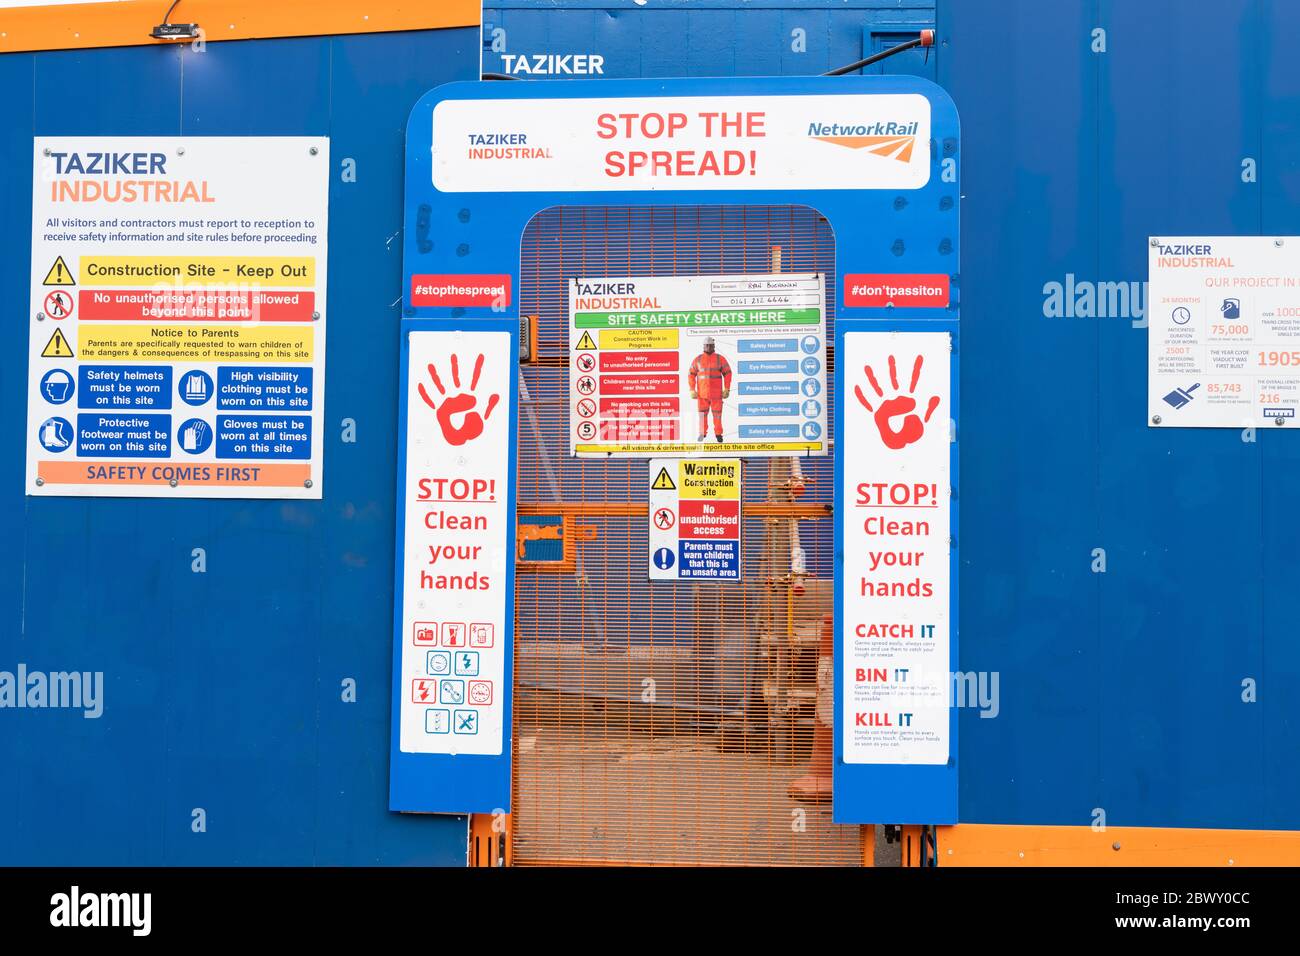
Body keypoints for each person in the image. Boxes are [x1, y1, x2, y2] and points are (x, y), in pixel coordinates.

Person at [688, 336, 732, 442]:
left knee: (717, 415)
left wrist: (727, 388)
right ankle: (702, 433)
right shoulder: (697, 359)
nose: (708, 347)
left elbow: (728, 373)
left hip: (716, 394)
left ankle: (718, 434)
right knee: (702, 415)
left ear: (714, 346)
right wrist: (692, 389)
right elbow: (691, 374)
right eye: (706, 345)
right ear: (703, 346)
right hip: (702, 395)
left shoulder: (719, 359)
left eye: (710, 345)